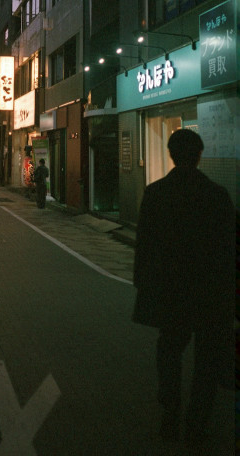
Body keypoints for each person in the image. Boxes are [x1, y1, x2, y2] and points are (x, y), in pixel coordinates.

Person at [132, 129, 235, 444]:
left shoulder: (156, 193)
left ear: (171, 155)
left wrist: (143, 283)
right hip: (209, 293)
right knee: (207, 360)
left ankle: (170, 412)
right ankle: (196, 423)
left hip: (170, 291)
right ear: (200, 154)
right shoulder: (217, 196)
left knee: (169, 350)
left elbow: (144, 246)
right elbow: (230, 249)